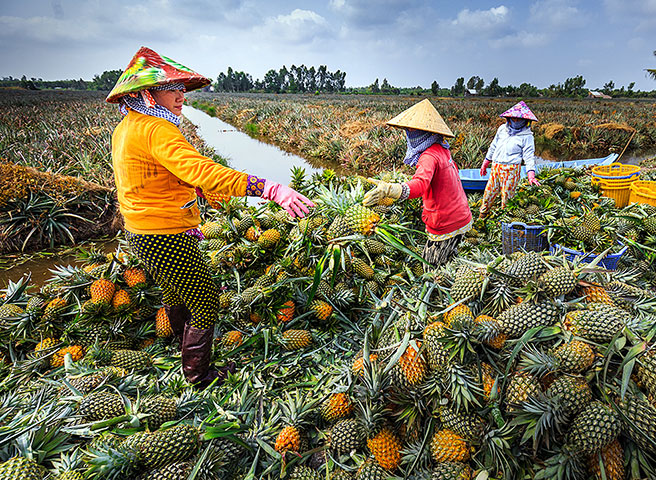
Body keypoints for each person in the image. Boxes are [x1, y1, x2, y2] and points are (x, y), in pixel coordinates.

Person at [106, 47, 313, 388]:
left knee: (174, 292)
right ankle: (199, 376)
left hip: (140, 230)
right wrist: (269, 189)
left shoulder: (128, 127)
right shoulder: (158, 130)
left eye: (182, 88)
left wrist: (192, 197)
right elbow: (202, 170)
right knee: (205, 300)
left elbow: (152, 175)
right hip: (164, 233)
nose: (180, 95)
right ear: (146, 93)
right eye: (171, 88)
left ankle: (179, 346)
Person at [363, 99, 472, 266]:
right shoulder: (442, 148)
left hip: (446, 222)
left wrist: (389, 189)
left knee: (431, 266)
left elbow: (420, 184)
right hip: (461, 215)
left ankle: (438, 290)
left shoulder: (428, 156)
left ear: (424, 132)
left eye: (412, 130)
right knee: (450, 257)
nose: (409, 133)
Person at [478, 101, 540, 219]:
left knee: (507, 196)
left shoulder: (527, 136)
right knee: (489, 192)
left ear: (525, 121)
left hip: (511, 169)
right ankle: (482, 215)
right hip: (496, 166)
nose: (515, 121)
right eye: (513, 118)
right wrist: (486, 162)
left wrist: (531, 175)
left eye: (519, 119)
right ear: (508, 118)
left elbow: (529, 156)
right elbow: (494, 145)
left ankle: (504, 219)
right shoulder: (502, 129)